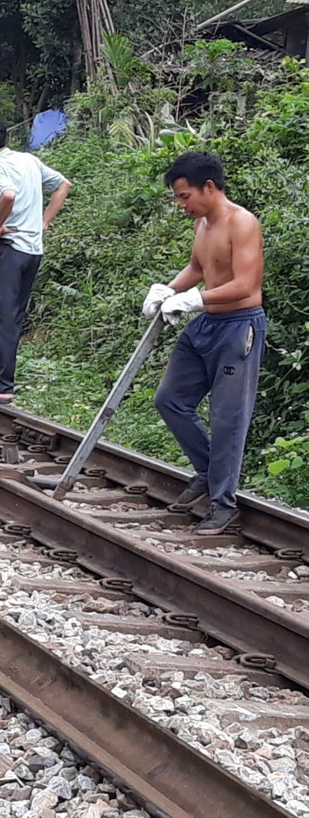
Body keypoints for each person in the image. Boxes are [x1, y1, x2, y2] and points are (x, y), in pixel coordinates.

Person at [142, 151, 265, 536]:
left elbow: (246, 285)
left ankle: (222, 503)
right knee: (170, 399)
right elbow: (199, 268)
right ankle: (208, 471)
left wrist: (195, 299)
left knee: (227, 417)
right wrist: (168, 290)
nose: (182, 205)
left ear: (208, 187)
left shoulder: (242, 223)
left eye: (184, 196)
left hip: (238, 325)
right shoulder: (203, 224)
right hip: (207, 323)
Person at [0, 116, 71, 408]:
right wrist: (44, 223)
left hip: (12, 249)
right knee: (13, 317)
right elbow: (64, 184)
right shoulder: (28, 160)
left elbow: (8, 195)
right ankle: (4, 384)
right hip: (33, 251)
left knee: (2, 316)